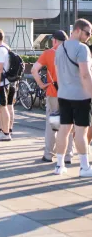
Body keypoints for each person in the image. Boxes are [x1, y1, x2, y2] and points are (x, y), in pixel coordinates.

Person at [54, 19, 92, 176]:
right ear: (77, 30)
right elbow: (85, 74)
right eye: (87, 33)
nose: (89, 36)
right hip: (81, 96)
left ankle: (59, 165)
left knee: (64, 130)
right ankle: (84, 167)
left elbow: (58, 73)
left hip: (63, 94)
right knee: (81, 132)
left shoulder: (59, 48)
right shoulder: (82, 48)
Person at [32, 30, 73, 164]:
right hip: (71, 94)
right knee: (68, 125)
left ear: (54, 40)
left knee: (53, 125)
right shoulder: (72, 52)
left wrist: (41, 84)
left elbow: (34, 70)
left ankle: (49, 154)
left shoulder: (49, 53)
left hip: (54, 93)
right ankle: (68, 156)